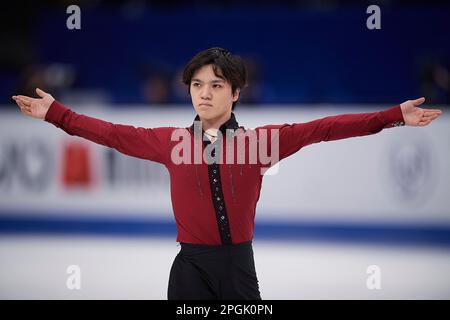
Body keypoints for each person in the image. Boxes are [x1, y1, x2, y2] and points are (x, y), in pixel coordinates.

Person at [12, 47, 443, 300]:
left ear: (235, 93)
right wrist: (57, 114)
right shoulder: (168, 141)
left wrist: (393, 116)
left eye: (216, 85)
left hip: (238, 268)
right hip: (188, 270)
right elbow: (110, 133)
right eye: (197, 85)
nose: (204, 93)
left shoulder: (261, 143)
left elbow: (324, 128)